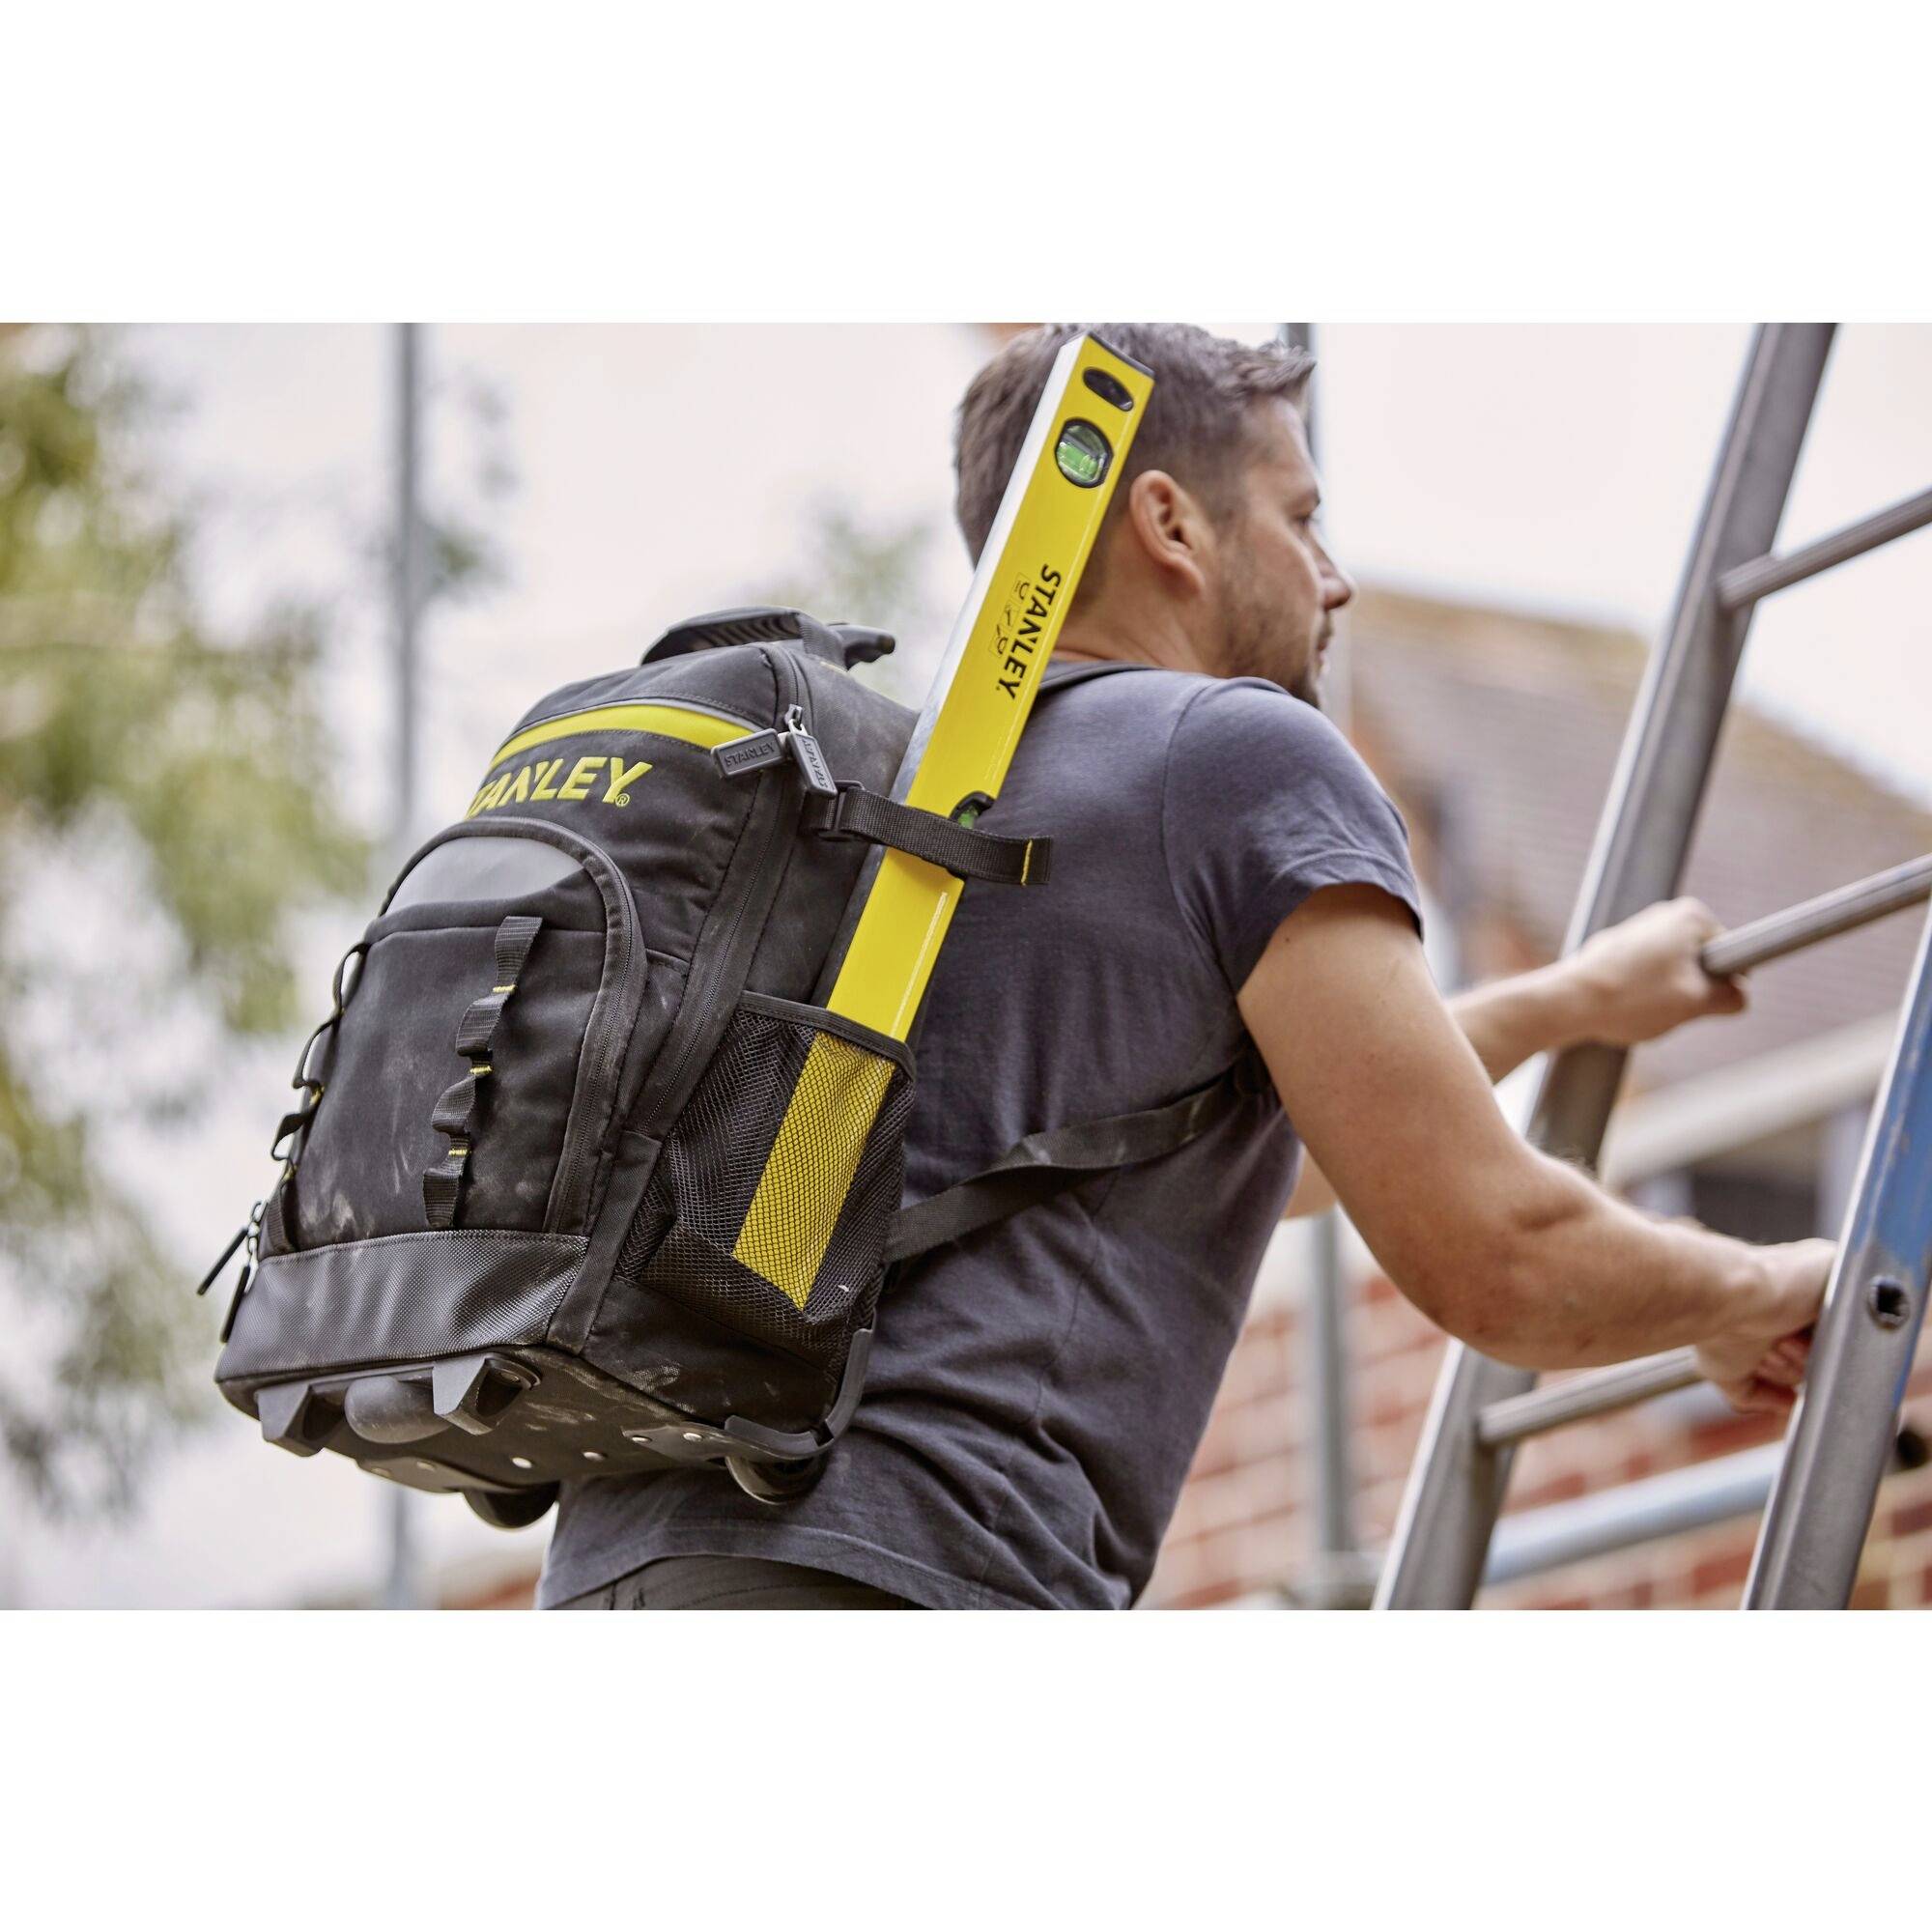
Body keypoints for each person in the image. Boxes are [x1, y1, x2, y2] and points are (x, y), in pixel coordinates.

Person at [540, 324, 1830, 1611]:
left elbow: (1293, 1147)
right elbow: (1497, 1254)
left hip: (634, 1568)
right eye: (1300, 516)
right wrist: (1759, 1284)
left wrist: (1569, 1004)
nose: (1334, 579)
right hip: (910, 1573)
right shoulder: (1231, 756)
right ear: (1171, 522)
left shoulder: (899, 822)